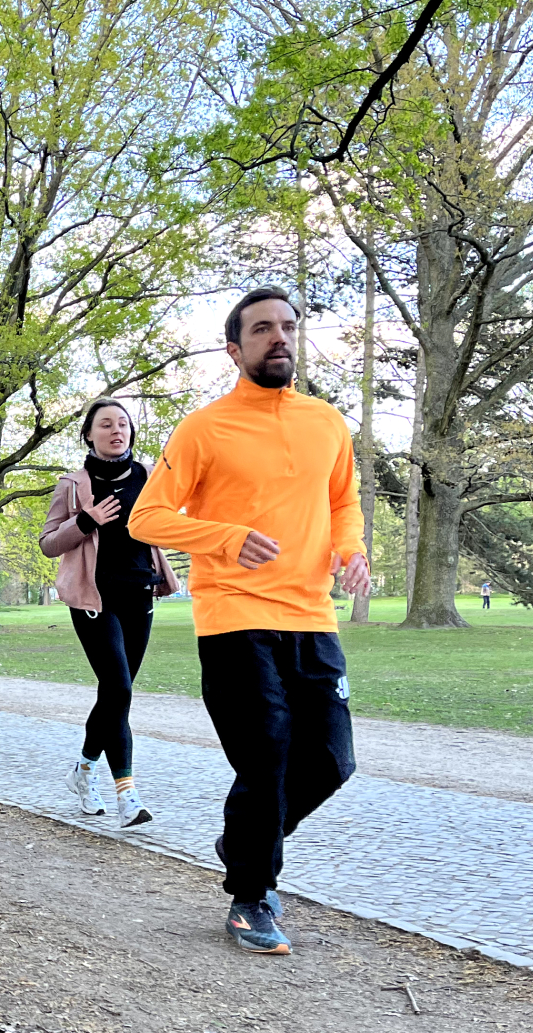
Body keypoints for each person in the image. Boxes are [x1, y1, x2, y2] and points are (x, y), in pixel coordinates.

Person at [129, 286, 369, 957]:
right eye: (262, 329)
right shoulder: (205, 428)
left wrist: (351, 551)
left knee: (331, 760)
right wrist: (226, 538)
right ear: (235, 349)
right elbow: (146, 517)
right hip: (233, 616)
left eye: (288, 326)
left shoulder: (325, 422)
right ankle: (250, 897)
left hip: (311, 616)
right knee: (266, 755)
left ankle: (242, 844)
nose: (279, 337)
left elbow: (344, 501)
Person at [40, 398, 181, 828]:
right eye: (106, 424)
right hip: (93, 601)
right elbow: (48, 543)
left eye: (123, 423)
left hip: (140, 597)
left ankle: (82, 772)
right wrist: (86, 520)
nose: (117, 430)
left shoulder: (151, 479)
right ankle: (127, 794)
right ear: (89, 434)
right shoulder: (73, 485)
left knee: (114, 694)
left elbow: (167, 525)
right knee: (118, 689)